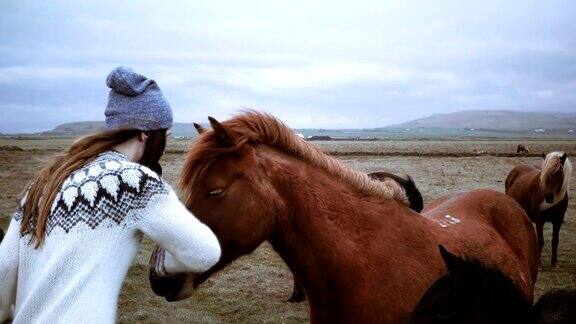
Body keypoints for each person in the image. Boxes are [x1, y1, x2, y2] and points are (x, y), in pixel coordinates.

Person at [0, 67, 221, 323]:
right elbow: (204, 253)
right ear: (146, 133)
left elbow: (4, 269)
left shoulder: (43, 183)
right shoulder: (134, 182)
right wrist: (166, 260)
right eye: (165, 134)